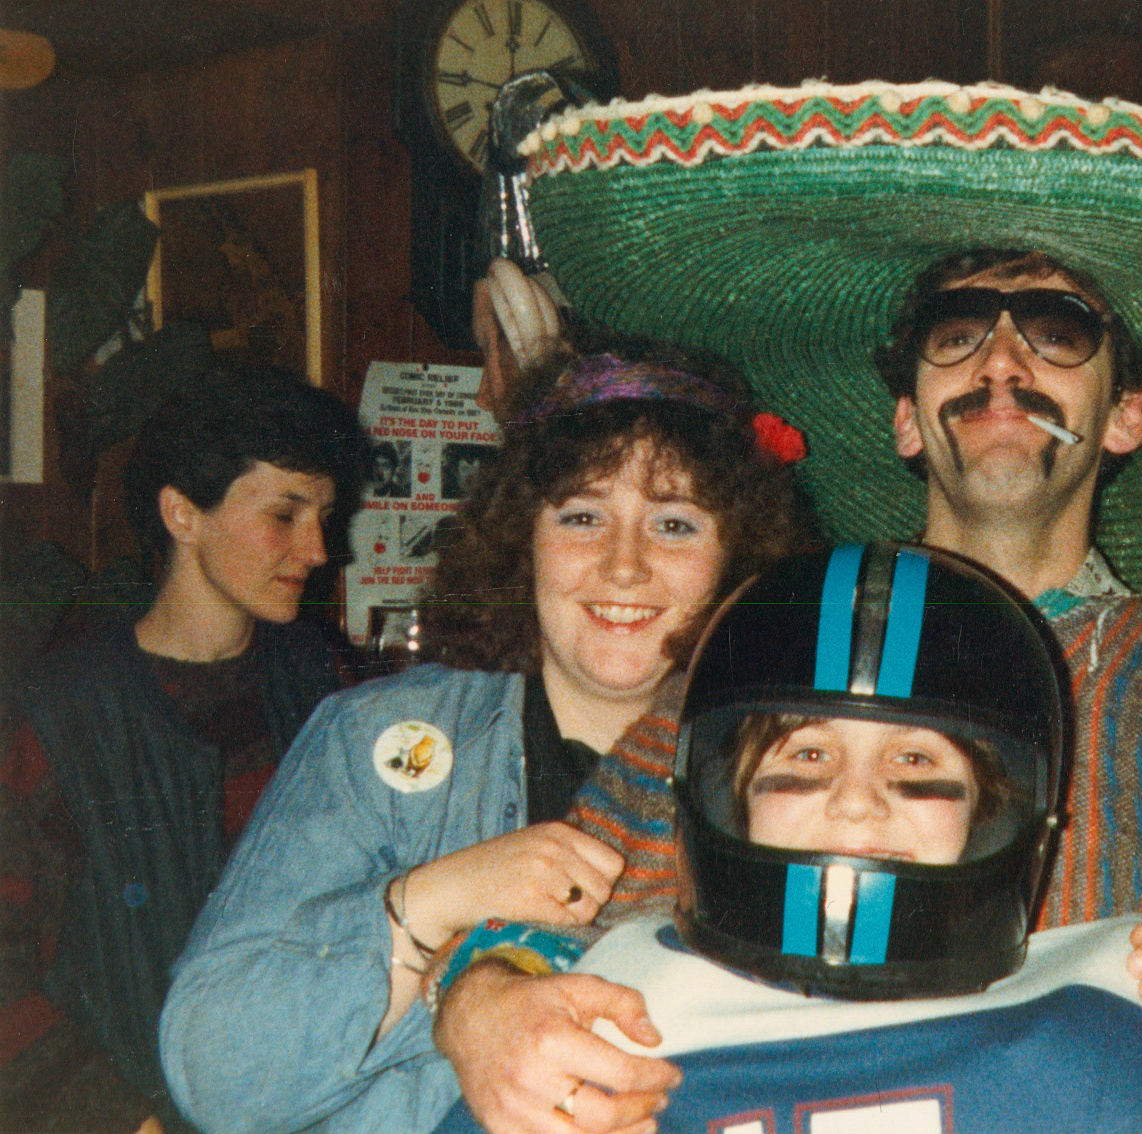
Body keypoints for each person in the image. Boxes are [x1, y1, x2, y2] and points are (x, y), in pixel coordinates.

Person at [462, 79, 1142, 1130]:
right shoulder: (773, 643)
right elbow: (557, 910)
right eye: (957, 331)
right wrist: (482, 1003)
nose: (1000, 361)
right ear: (905, 419)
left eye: (1057, 331)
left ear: (1124, 416)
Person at [429, 544, 1142, 1134]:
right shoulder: (601, 1038)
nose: (855, 805)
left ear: (1000, 808)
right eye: (806, 757)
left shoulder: (1128, 1020)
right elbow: (529, 917)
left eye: (917, 763)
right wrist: (482, 992)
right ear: (721, 795)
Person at [158, 340, 815, 1131]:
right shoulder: (372, 739)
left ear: (734, 555)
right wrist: (427, 904)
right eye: (582, 517)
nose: (624, 566)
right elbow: (214, 1076)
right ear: (519, 538)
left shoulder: (796, 768)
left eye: (674, 525)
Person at [0, 362, 368, 1132]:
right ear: (182, 514)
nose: (317, 549)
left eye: (325, 516)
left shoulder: (323, 679)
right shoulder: (58, 710)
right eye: (285, 514)